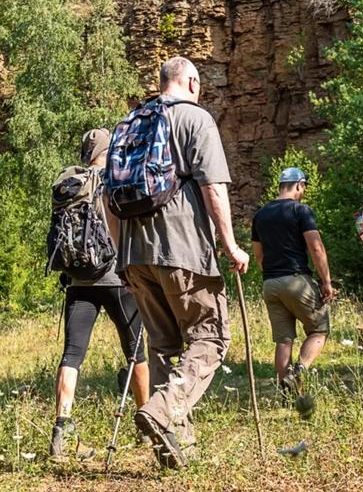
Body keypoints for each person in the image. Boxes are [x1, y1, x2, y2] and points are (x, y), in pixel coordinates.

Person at [105, 56, 249, 470]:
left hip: (135, 255)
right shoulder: (194, 119)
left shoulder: (128, 125)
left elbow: (108, 199)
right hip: (183, 249)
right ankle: (163, 410)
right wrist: (230, 244)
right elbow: (213, 189)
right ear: (189, 81)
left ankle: (177, 450)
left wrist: (122, 256)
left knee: (165, 346)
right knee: (210, 338)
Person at [49, 128, 151, 461]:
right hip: (117, 278)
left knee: (72, 355)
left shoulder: (69, 183)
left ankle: (60, 432)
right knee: (136, 351)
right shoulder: (114, 179)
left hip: (78, 280)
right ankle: (147, 424)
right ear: (110, 150)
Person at [251, 167, 335, 400]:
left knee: (283, 340)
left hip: (270, 283)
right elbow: (316, 247)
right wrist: (326, 281)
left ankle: (287, 396)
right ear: (299, 185)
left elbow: (259, 256)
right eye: (304, 188)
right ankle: (299, 371)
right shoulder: (301, 211)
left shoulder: (260, 215)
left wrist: (272, 274)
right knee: (319, 330)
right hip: (296, 279)